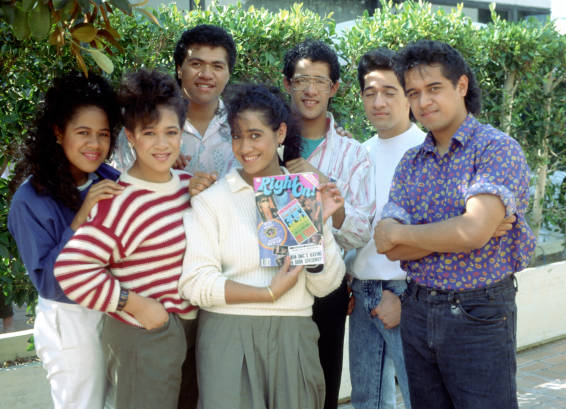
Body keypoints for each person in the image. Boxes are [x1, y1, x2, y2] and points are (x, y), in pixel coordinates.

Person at [374, 40, 536, 409]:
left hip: (478, 313)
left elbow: (472, 232)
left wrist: (407, 232)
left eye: (434, 88)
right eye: (413, 93)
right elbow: (388, 246)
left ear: (461, 85)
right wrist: (459, 230)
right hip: (417, 309)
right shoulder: (411, 162)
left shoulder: (496, 149)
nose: (423, 102)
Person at [178, 84, 346, 409]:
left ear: (280, 133)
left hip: (294, 333)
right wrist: (266, 293)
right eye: (237, 136)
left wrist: (319, 229)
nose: (245, 147)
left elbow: (325, 286)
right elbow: (194, 283)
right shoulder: (213, 200)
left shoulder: (303, 196)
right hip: (227, 337)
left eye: (255, 135)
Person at [53, 70, 197, 409]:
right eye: (149, 133)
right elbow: (71, 270)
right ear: (131, 136)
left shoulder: (185, 185)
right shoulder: (120, 200)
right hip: (144, 332)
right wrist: (136, 305)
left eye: (171, 132)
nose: (162, 144)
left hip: (190, 331)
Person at [8, 72, 123, 409]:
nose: (95, 144)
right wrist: (83, 214)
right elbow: (49, 282)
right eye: (83, 132)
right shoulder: (30, 200)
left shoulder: (109, 179)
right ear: (59, 133)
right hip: (70, 320)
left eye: (103, 134)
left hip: (114, 311)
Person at [282, 39, 376, 409]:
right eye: (302, 80)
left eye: (319, 81)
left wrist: (322, 186)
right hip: (272, 282)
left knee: (322, 390)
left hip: (326, 286)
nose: (310, 90)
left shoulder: (353, 154)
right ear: (287, 84)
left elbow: (361, 232)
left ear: (334, 88)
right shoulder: (265, 141)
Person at [348, 48, 426, 409]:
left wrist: (407, 300)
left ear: (408, 96)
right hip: (361, 292)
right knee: (368, 401)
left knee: (419, 397)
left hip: (407, 292)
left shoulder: (426, 152)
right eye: (370, 93)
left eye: (389, 92)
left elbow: (437, 233)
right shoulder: (358, 154)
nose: (378, 102)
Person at [113, 24, 238, 181]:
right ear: (179, 69)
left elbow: (264, 187)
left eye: (217, 66)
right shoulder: (142, 122)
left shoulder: (243, 125)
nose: (206, 74)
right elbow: (118, 184)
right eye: (196, 64)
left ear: (228, 74)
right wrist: (156, 169)